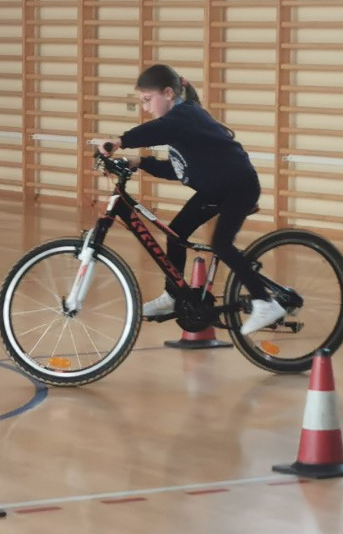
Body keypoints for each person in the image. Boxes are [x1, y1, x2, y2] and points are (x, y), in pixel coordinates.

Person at [102, 63, 286, 336]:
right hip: (216, 189)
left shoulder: (186, 115)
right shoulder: (180, 128)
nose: (146, 108)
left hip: (239, 187)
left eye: (147, 100)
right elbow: (180, 170)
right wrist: (138, 162)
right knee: (176, 233)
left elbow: (157, 129)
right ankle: (174, 295)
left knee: (221, 244)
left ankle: (265, 301)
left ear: (168, 93)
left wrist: (120, 141)